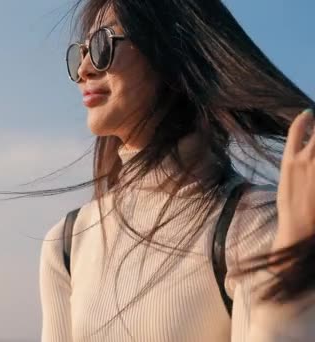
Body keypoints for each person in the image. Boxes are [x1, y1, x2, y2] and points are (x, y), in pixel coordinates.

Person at [38, 0, 315, 341]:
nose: (83, 70)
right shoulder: (66, 244)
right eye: (79, 53)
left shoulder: (253, 223)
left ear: (169, 51)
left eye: (101, 46)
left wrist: (293, 258)